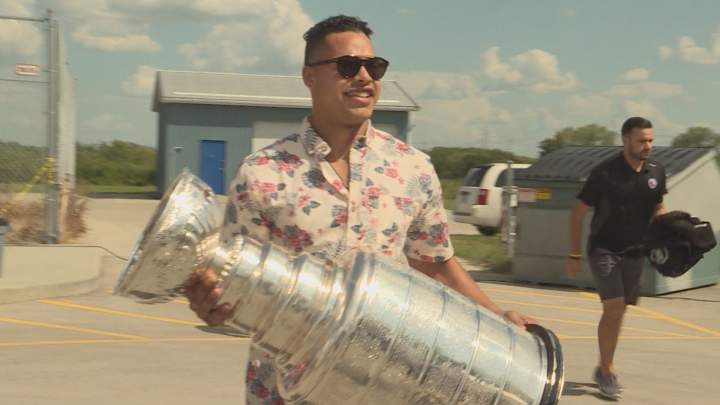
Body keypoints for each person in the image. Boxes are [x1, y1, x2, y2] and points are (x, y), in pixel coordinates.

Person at [185, 15, 535, 405]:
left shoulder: (412, 168)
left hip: (386, 385)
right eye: (348, 66)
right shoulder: (262, 173)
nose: (365, 77)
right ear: (309, 76)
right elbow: (236, 277)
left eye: (375, 66)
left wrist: (497, 317)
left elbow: (434, 263)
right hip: (287, 387)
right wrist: (214, 303)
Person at [565, 116, 667, 400]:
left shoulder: (657, 172)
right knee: (614, 306)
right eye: (642, 140)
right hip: (604, 249)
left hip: (636, 252)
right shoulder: (604, 173)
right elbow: (577, 214)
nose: (648, 145)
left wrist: (671, 232)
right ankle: (607, 371)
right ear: (626, 140)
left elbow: (658, 207)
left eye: (650, 140)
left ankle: (603, 365)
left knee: (620, 310)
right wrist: (574, 253)